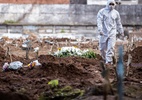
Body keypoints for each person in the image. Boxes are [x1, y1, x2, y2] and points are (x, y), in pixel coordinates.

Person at [97, 0, 124, 66]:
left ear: (115, 5)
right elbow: (99, 21)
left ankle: (109, 62)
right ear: (107, 4)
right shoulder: (102, 11)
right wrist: (100, 30)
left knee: (111, 47)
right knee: (102, 48)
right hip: (103, 32)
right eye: (110, 4)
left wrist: (121, 31)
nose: (111, 6)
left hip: (112, 32)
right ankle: (104, 59)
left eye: (113, 4)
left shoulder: (116, 13)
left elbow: (118, 23)